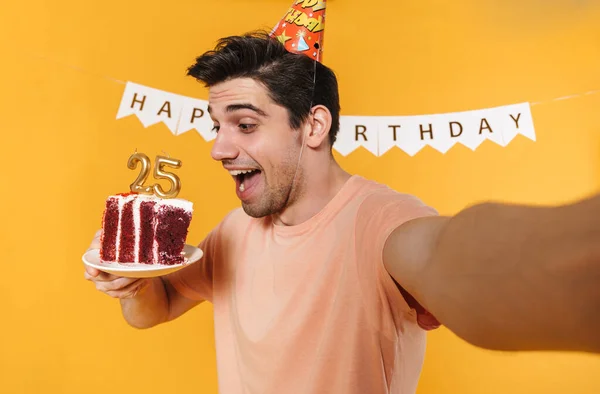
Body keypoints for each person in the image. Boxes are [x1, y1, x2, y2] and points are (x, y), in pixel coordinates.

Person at [85, 32, 600, 393]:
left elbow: (448, 254)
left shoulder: (382, 222)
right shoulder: (236, 230)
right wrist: (133, 280)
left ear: (312, 126)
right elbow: (159, 305)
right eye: (215, 126)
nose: (218, 149)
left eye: (243, 125)